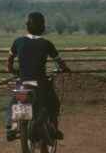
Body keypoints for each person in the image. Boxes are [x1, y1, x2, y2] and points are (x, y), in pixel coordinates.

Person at [6, 12, 70, 141]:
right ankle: (53, 128)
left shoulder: (18, 42)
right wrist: (65, 69)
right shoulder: (47, 44)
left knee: (16, 101)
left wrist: (13, 70)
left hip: (24, 81)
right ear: (43, 27)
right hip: (40, 82)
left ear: (27, 26)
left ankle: (12, 127)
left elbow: (10, 60)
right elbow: (59, 62)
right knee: (53, 102)